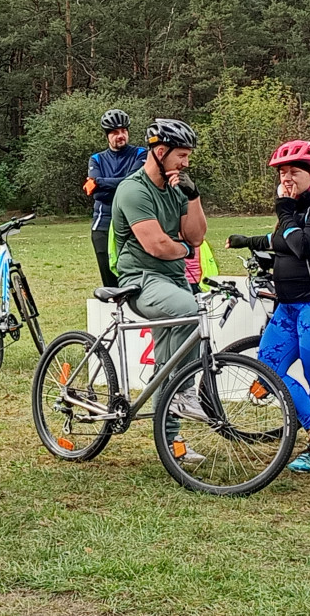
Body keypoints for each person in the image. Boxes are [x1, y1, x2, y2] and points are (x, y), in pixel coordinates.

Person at [227, 140, 310, 474]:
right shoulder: (292, 213)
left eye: (294, 172)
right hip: (289, 306)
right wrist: (246, 241)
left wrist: (283, 209)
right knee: (267, 371)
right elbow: (278, 240)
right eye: (282, 173)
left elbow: (303, 244)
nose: (287, 179)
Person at [110, 119, 206, 457]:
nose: (186, 163)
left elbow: (196, 235)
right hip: (140, 280)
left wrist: (192, 196)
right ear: (160, 152)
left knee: (170, 358)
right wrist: (184, 249)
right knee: (188, 311)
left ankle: (172, 443)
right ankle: (183, 394)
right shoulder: (134, 190)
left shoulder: (176, 188)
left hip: (174, 280)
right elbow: (158, 246)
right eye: (181, 155)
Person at [84, 109, 146, 288]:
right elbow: (96, 193)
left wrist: (100, 182)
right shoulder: (96, 159)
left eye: (124, 131)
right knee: (110, 283)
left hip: (132, 222)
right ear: (107, 136)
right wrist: (122, 184)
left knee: (135, 278)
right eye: (115, 132)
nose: (121, 135)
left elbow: (134, 184)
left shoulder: (141, 154)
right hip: (103, 223)